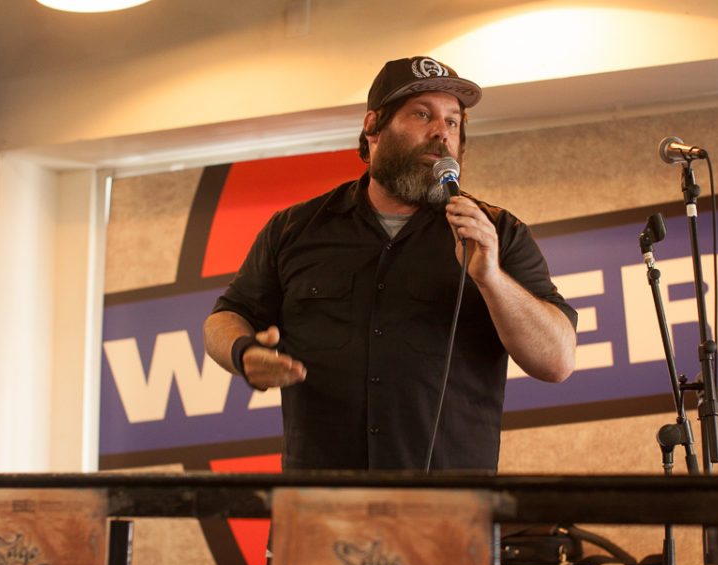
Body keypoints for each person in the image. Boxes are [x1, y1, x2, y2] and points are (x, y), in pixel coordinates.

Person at [203, 56, 577, 472]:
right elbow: (224, 318)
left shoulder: (497, 233)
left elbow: (557, 360)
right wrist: (243, 353)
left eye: (453, 122)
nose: (441, 133)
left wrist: (491, 278)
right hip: (319, 506)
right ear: (373, 127)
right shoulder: (296, 229)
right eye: (422, 115)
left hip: (450, 514)